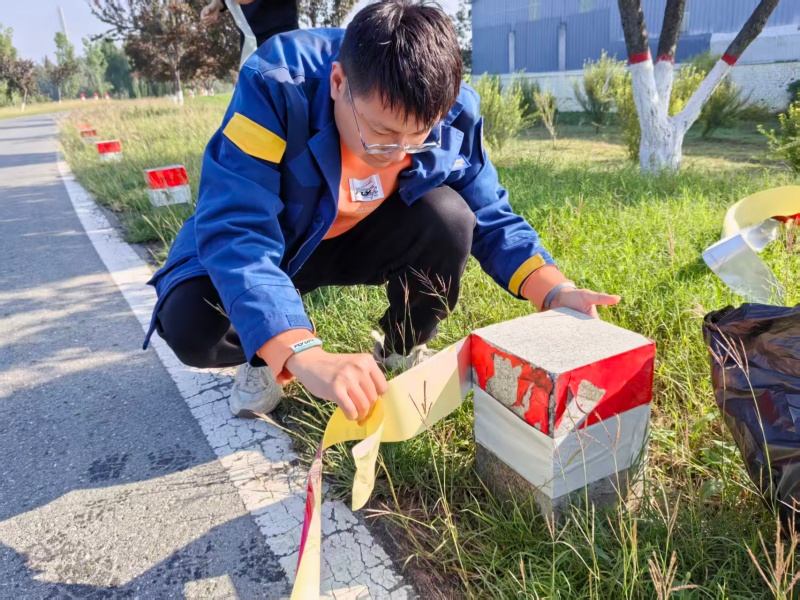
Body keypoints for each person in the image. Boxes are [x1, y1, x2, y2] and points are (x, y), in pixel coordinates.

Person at [143, 0, 620, 423]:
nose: (398, 154)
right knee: (191, 323)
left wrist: (555, 291)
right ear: (338, 83)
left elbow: (493, 216)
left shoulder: (452, 110)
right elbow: (238, 226)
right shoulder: (277, 84)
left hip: (363, 238)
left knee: (451, 219)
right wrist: (302, 352)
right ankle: (268, 352)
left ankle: (400, 348)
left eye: (419, 138)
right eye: (382, 134)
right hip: (281, 241)